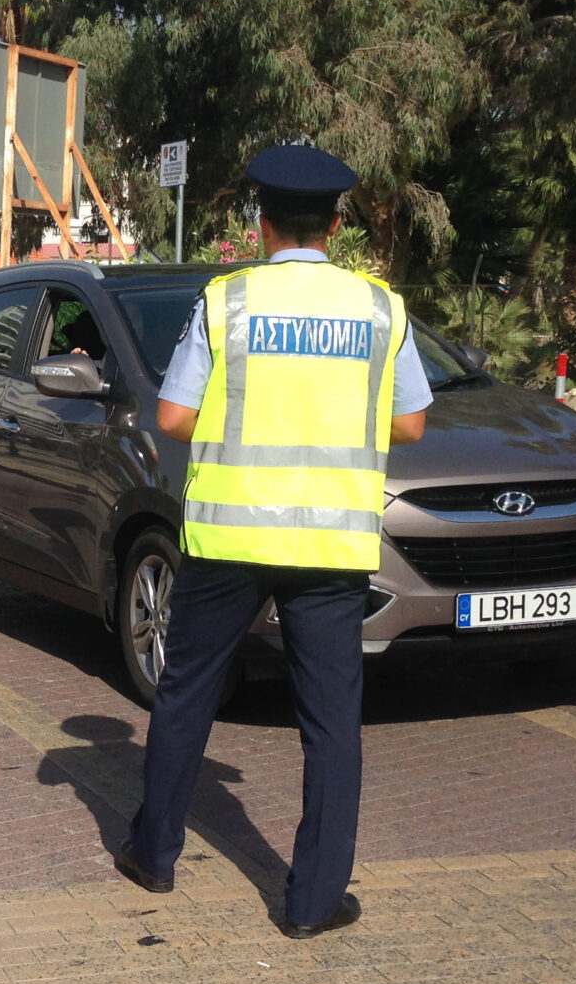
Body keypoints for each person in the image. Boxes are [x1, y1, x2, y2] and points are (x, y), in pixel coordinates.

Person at [113, 146, 433, 938]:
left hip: (228, 536)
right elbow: (413, 423)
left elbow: (174, 419)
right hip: (329, 548)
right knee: (331, 723)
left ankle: (153, 856)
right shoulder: (379, 309)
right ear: (334, 224)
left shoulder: (227, 303)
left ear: (261, 225)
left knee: (186, 693)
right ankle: (313, 901)